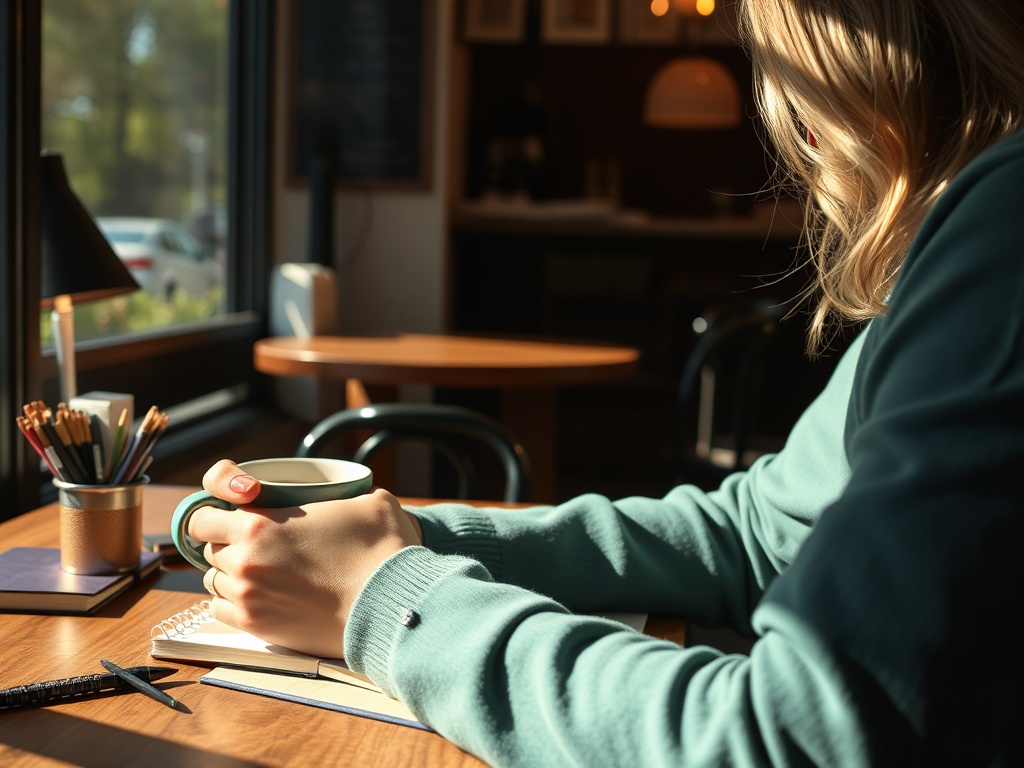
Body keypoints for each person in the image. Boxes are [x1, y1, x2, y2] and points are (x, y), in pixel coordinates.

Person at [189, 1, 1024, 764]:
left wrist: (386, 596)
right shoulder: (977, 229)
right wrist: (402, 538)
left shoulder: (1006, 229)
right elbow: (756, 533)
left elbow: (786, 740)